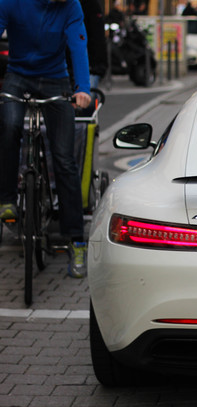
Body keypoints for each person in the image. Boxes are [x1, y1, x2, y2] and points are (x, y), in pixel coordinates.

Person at [0, 0, 92, 278]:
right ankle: (6, 200)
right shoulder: (12, 1)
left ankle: (76, 240)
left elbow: (77, 45)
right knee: (9, 125)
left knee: (64, 159)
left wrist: (83, 88)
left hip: (56, 80)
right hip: (18, 76)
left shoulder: (71, 6)